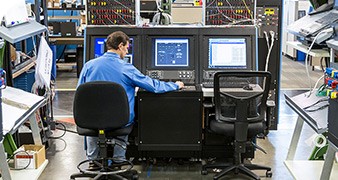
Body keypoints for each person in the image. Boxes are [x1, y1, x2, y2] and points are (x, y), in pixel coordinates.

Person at [77, 31, 184, 167]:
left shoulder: (88, 66)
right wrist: (175, 85)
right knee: (122, 118)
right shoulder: (126, 68)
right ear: (120, 46)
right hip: (120, 120)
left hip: (90, 120)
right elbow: (153, 86)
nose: (127, 52)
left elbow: (80, 93)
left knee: (95, 119)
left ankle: (93, 161)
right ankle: (118, 161)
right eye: (127, 47)